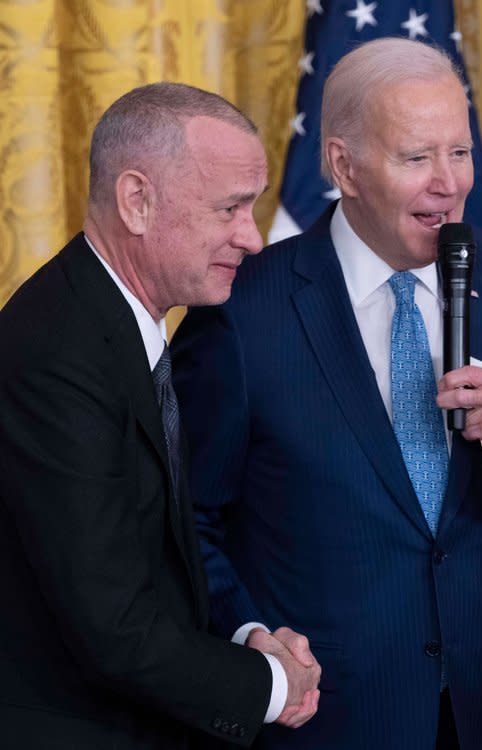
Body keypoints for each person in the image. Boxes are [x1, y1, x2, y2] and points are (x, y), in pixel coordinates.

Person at [170, 37, 482, 750]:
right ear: (345, 165)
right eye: (417, 158)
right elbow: (185, 522)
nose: (450, 183)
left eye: (460, 153)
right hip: (324, 720)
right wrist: (251, 636)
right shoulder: (243, 309)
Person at [0, 82, 323, 748]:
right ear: (136, 201)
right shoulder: (56, 356)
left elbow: (148, 559)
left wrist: (244, 635)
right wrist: (269, 685)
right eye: (230, 208)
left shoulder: (112, 322)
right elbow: (113, 630)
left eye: (253, 207)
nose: (254, 238)